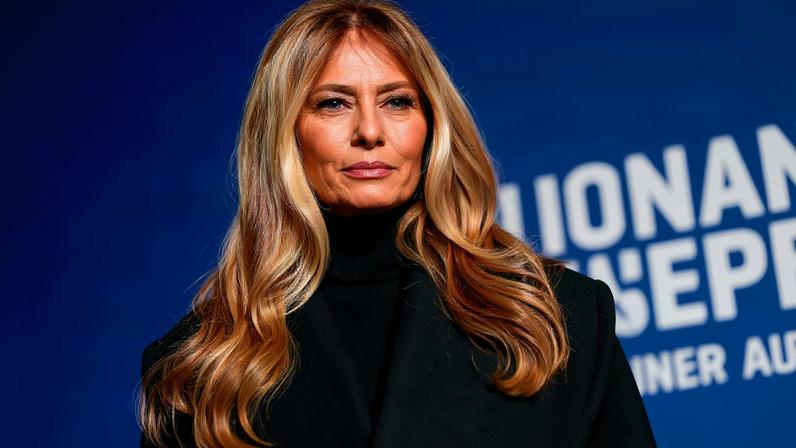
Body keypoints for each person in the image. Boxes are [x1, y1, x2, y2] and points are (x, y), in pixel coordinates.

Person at [137, 0, 658, 447]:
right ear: (286, 134)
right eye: (334, 103)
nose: (370, 130)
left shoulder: (558, 316)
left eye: (397, 101)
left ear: (431, 126)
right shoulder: (197, 370)